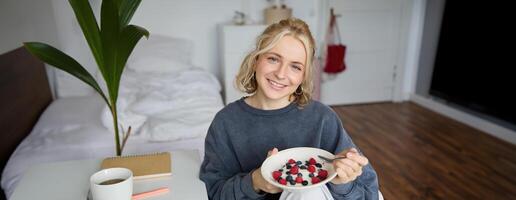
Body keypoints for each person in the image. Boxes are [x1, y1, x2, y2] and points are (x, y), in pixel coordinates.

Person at [199, 18, 379, 200]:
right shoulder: (226, 122)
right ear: (256, 60)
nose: (281, 73)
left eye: (295, 66)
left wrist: (342, 184)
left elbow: (369, 192)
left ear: (303, 76)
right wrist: (256, 182)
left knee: (308, 191)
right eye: (273, 59)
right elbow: (213, 193)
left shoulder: (322, 118)